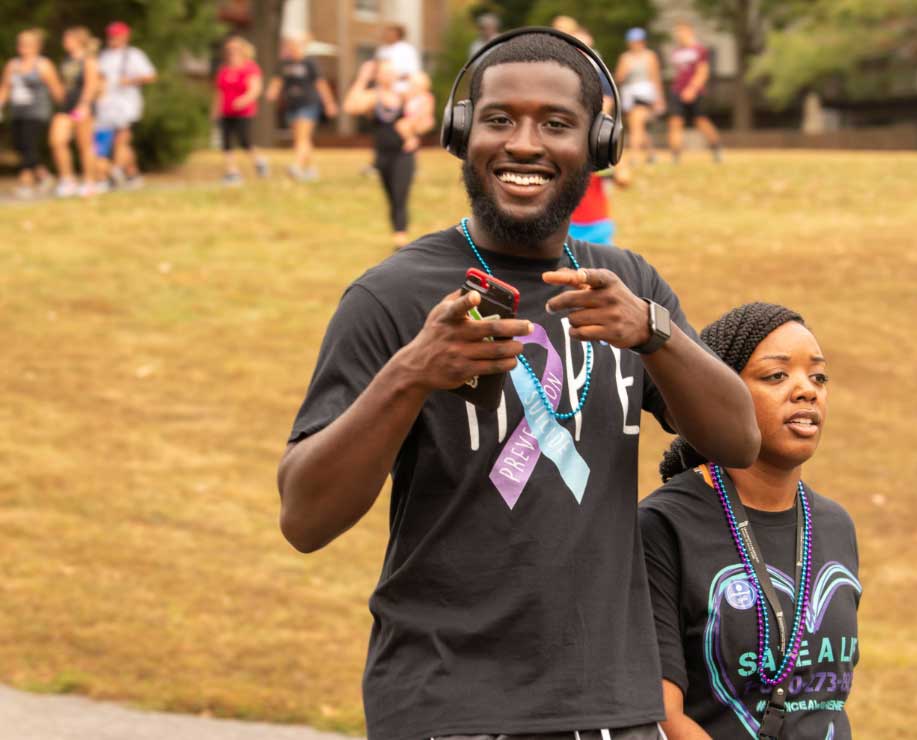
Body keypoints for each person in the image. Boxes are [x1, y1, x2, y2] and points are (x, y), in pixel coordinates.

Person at [278, 29, 761, 740]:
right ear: (462, 132)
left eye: (556, 123)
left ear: (598, 145)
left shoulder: (630, 286)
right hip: (446, 707)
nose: (524, 144)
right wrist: (412, 372)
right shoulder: (391, 295)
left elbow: (738, 438)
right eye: (500, 119)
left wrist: (652, 332)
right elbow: (305, 519)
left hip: (612, 707)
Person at [639, 303, 861, 739]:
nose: (806, 390)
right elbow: (662, 714)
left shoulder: (835, 525)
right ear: (720, 396)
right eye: (776, 376)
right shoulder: (662, 526)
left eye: (818, 377)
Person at [344, 61, 433, 248]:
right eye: (384, 72)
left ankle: (400, 237)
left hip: (404, 154)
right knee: (391, 197)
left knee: (401, 195)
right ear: (377, 76)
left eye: (391, 72)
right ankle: (397, 234)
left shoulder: (404, 96)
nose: (388, 76)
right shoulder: (372, 98)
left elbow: (426, 111)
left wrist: (416, 131)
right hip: (381, 156)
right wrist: (362, 78)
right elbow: (350, 106)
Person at [0, 29, 63, 198]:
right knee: (20, 147)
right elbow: (5, 88)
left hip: (37, 113)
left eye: (27, 44)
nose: (22, 47)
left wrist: (65, 111)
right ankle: (45, 176)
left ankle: (26, 183)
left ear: (36, 46)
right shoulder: (12, 65)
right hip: (17, 112)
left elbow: (56, 89)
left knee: (29, 145)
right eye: (20, 44)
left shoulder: (43, 65)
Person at [266, 34, 337, 182]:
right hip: (292, 104)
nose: (292, 49)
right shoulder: (285, 63)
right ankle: (311, 170)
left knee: (301, 137)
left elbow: (321, 84)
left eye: (296, 46)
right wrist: (272, 92)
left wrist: (329, 103)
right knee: (301, 138)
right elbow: (278, 80)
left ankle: (297, 166)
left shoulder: (310, 63)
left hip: (309, 103)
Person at [98, 21, 157, 188]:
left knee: (121, 138)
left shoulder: (134, 55)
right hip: (107, 105)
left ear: (125, 36)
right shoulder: (104, 55)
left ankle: (116, 171)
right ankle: (132, 173)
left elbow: (150, 76)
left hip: (126, 104)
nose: (112, 38)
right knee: (120, 141)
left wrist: (130, 80)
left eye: (115, 35)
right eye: (110, 34)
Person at [50, 26, 100, 198]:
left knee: (84, 145)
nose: (65, 42)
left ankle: (89, 182)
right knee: (57, 140)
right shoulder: (66, 60)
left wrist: (84, 105)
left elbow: (91, 84)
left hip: (81, 107)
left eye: (68, 39)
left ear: (78, 41)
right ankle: (67, 179)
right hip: (66, 107)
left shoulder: (88, 60)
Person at [212, 35, 268, 184]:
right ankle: (232, 172)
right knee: (226, 142)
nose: (232, 51)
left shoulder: (250, 68)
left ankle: (259, 161)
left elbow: (255, 89)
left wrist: (243, 100)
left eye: (235, 48)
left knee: (245, 141)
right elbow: (219, 92)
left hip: (244, 112)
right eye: (229, 49)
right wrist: (215, 111)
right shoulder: (224, 69)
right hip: (226, 111)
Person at [667, 22, 721, 163]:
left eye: (681, 32)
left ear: (689, 31)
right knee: (675, 122)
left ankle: (716, 148)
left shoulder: (699, 50)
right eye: (677, 33)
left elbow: (703, 72)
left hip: (695, 92)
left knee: (701, 121)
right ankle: (675, 156)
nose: (678, 35)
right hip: (677, 91)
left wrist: (692, 89)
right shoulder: (676, 51)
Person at [616, 27, 664, 166]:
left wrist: (659, 97)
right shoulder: (625, 57)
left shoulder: (650, 56)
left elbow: (655, 77)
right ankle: (652, 154)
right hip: (629, 95)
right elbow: (619, 78)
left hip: (645, 93)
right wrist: (625, 71)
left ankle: (634, 156)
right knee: (637, 126)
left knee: (637, 124)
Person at [375, 23, 421, 91]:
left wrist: (393, 78)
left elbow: (413, 72)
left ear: (398, 34)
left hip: (402, 88)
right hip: (382, 89)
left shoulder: (407, 49)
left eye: (390, 33)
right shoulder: (382, 50)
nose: (387, 35)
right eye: (386, 33)